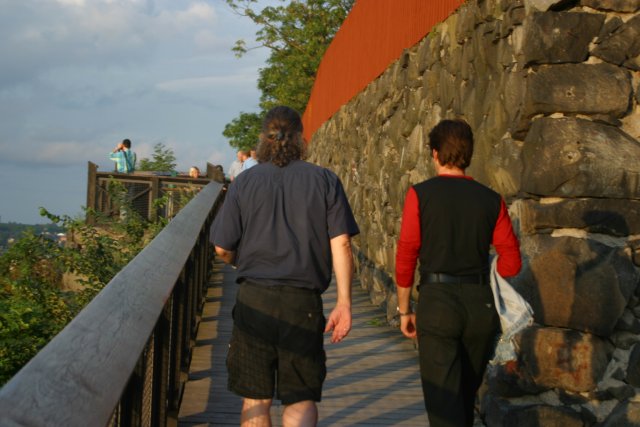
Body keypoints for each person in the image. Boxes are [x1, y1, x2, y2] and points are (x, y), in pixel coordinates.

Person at [213, 106, 359, 427]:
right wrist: (344, 303)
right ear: (300, 138)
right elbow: (342, 244)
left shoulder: (244, 182)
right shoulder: (324, 180)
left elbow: (222, 248)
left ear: (263, 139)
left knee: (256, 399)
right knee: (300, 398)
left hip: (254, 300)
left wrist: (240, 263)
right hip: (302, 303)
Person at [395, 119, 521, 427]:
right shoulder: (491, 199)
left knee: (444, 407)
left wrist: (404, 310)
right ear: (469, 154)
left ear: (435, 154)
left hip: (437, 304)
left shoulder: (420, 195)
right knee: (464, 401)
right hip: (480, 307)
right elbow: (512, 263)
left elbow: (407, 254)